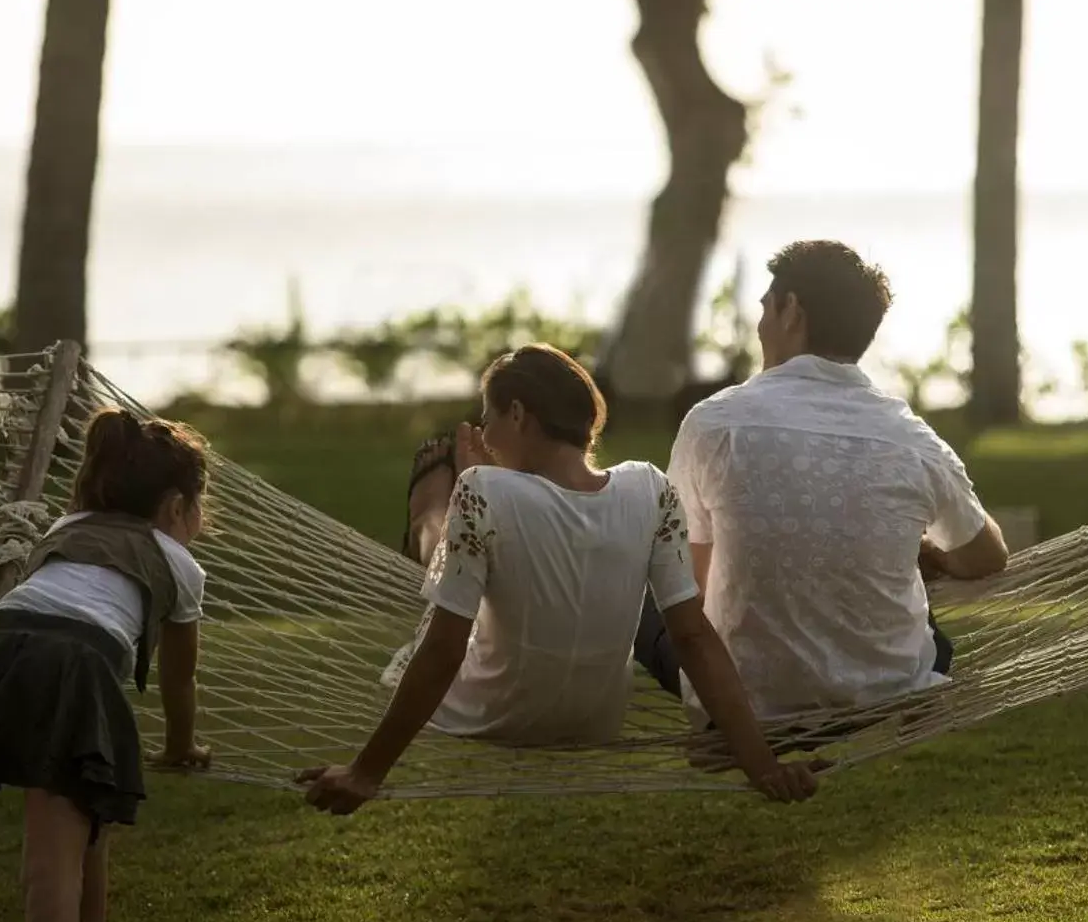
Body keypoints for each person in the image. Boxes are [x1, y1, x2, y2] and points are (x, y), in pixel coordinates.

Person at [298, 344, 818, 813]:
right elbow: (693, 637)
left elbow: (441, 652)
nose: (485, 436)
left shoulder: (482, 489)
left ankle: (431, 521)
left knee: (464, 544)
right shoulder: (651, 488)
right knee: (502, 527)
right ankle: (441, 526)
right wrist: (764, 766)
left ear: (519, 413)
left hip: (492, 708)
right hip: (593, 717)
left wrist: (366, 772)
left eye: (488, 419)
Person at [636, 240, 1010, 730]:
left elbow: (691, 589)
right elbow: (987, 554)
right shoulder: (912, 438)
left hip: (749, 700)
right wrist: (930, 555)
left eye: (766, 306)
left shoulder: (715, 425)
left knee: (650, 599)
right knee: (910, 597)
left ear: (791, 311)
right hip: (888, 688)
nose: (761, 322)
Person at [0, 408, 214, 922]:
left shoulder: (65, 528)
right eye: (200, 511)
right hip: (73, 663)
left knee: (85, 823)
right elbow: (181, 680)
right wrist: (183, 745)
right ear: (176, 508)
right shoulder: (180, 563)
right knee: (52, 866)